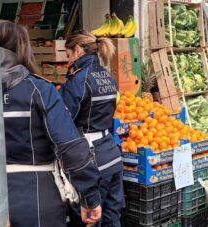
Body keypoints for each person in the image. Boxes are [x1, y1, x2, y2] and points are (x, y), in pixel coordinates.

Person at [0, 20, 102, 227]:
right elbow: (71, 148)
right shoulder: (39, 90)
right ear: (23, 49)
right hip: (34, 199)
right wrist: (89, 198)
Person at [59, 30, 124, 227]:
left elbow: (62, 122)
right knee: (112, 218)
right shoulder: (108, 77)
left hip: (91, 161)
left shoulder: (78, 81)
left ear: (78, 50)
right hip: (112, 155)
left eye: (68, 55)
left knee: (91, 220)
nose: (68, 61)